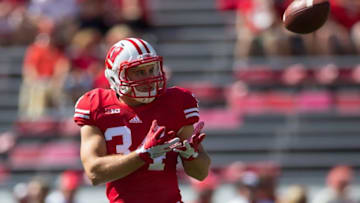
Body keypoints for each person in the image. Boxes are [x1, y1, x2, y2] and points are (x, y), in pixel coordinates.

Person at [73, 38, 211, 203]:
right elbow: (94, 173)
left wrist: (191, 155)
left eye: (151, 69)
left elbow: (200, 174)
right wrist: (143, 154)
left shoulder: (176, 102)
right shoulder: (96, 105)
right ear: (116, 76)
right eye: (139, 72)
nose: (149, 78)